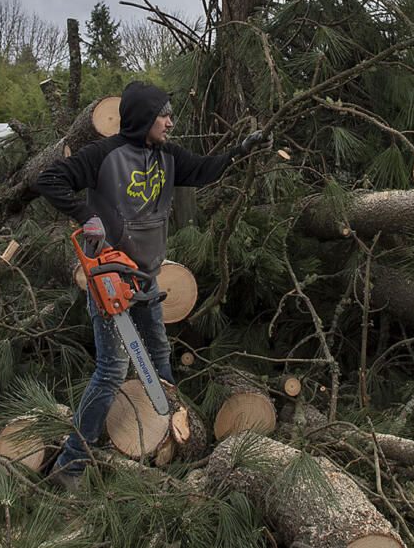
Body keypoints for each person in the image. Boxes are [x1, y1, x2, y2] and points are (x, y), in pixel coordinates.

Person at [34, 80, 267, 492]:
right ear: (144, 117)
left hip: (146, 275)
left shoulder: (166, 155)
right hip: (111, 278)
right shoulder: (103, 154)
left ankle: (166, 439)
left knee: (159, 350)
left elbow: (204, 169)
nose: (171, 123)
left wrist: (241, 152)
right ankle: (70, 466)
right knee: (111, 370)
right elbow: (49, 178)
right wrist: (87, 214)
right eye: (164, 115)